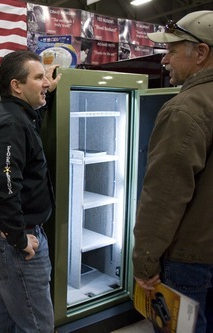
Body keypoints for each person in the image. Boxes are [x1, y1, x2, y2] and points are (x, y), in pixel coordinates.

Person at [132, 10, 213, 333]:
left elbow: (163, 198)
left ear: (202, 53)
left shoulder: (185, 109)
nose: (164, 60)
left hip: (188, 262)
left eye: (173, 50)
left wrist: (145, 261)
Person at [0, 50, 61, 333]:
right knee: (38, 325)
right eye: (38, 78)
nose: (46, 83)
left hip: (12, 234)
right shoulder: (12, 124)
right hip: (17, 240)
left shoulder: (17, 115)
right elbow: (3, 185)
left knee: (9, 314)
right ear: (16, 86)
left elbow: (30, 121)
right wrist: (17, 237)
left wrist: (44, 91)